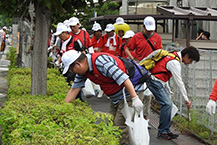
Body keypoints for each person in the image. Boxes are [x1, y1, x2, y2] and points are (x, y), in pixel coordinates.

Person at [61, 50, 144, 145]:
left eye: (72, 69)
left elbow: (124, 79)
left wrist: (135, 98)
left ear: (78, 64)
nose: (73, 72)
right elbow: (74, 89)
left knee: (120, 127)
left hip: (129, 93)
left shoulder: (101, 62)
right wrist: (63, 109)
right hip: (116, 98)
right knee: (111, 125)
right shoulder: (83, 71)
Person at [143, 46, 200, 140]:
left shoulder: (173, 56)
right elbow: (179, 82)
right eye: (191, 60)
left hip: (155, 81)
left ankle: (166, 130)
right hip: (154, 82)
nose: (190, 63)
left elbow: (163, 74)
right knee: (167, 104)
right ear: (186, 56)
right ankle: (162, 131)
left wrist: (168, 90)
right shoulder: (174, 62)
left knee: (169, 105)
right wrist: (186, 99)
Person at [126, 16, 163, 121]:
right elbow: (127, 49)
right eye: (148, 29)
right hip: (139, 68)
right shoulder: (137, 37)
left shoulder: (157, 37)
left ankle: (145, 117)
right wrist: (133, 59)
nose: (150, 31)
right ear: (143, 27)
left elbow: (160, 52)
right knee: (139, 92)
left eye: (151, 30)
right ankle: (136, 116)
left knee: (148, 95)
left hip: (151, 68)